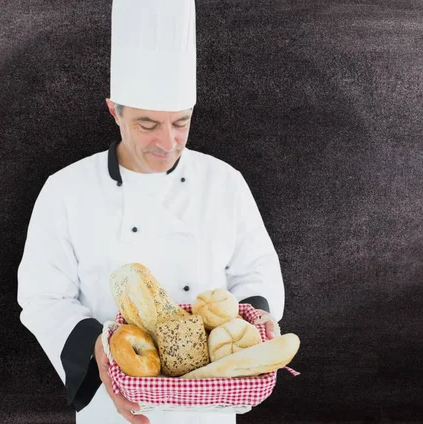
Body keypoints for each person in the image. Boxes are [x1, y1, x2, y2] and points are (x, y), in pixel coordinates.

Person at [16, 0, 284, 423]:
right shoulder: (66, 190)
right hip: (115, 404)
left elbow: (255, 271)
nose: (167, 142)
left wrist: (261, 318)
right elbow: (43, 296)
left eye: (181, 122)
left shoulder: (224, 182)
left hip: (210, 404)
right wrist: (97, 350)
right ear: (113, 110)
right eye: (147, 124)